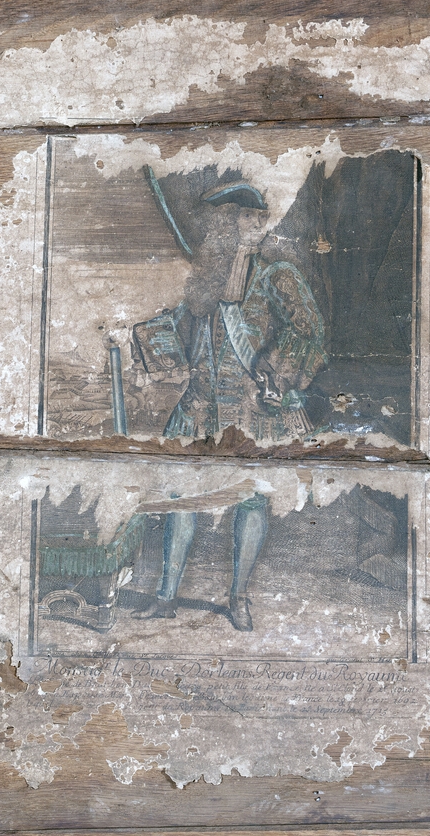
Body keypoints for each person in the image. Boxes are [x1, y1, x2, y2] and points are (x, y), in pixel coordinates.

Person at [130, 171, 327, 631]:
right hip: (200, 405)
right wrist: (150, 345)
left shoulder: (279, 276)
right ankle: (165, 596)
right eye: (237, 218)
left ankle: (238, 598)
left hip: (250, 409)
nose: (249, 225)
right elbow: (185, 327)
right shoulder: (208, 280)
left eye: (254, 217)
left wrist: (274, 374)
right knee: (180, 495)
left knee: (250, 501)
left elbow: (309, 332)